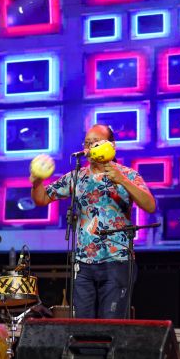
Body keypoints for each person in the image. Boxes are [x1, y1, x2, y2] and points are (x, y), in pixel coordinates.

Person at [30, 124, 155, 319]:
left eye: (95, 143)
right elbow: (42, 199)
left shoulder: (128, 175)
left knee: (111, 323)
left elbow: (150, 206)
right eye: (87, 143)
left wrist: (122, 180)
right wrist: (37, 181)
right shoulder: (77, 176)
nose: (90, 148)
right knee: (81, 324)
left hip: (117, 260)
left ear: (111, 145)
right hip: (84, 263)